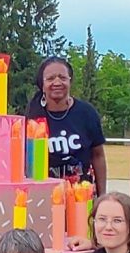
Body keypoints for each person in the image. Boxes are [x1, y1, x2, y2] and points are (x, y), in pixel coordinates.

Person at [24, 56, 107, 193]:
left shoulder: (87, 113)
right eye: (50, 78)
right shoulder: (31, 119)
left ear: (70, 81)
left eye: (62, 78)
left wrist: (102, 194)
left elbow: (98, 156)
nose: (57, 82)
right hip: (44, 196)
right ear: (42, 85)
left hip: (81, 196)